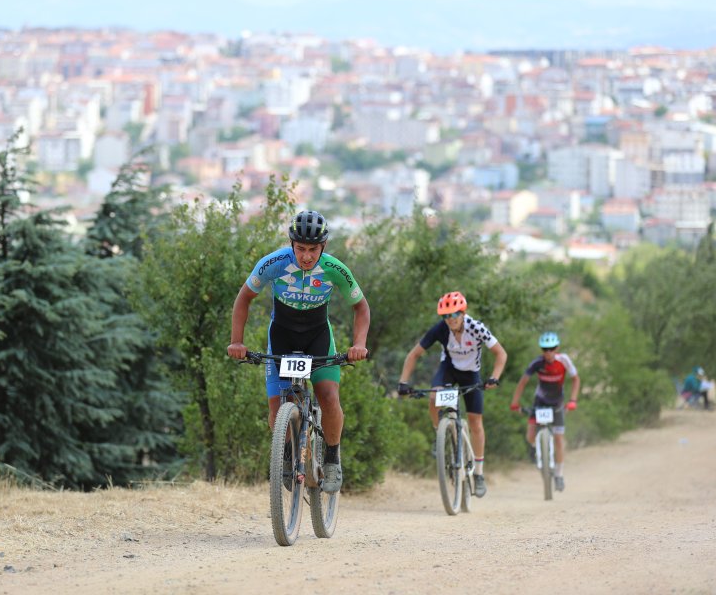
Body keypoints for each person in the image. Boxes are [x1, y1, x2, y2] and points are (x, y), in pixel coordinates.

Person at [226, 210, 370, 493]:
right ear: (291, 245)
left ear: (323, 247)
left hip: (318, 336)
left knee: (328, 396)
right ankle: (288, 453)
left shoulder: (334, 269)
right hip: (281, 335)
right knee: (276, 407)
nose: (306, 256)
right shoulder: (274, 263)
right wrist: (237, 342)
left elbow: (361, 308)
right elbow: (244, 299)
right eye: (300, 249)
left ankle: (331, 458)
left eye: (313, 249)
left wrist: (359, 344)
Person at [397, 291, 507, 498]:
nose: (450, 319)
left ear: (463, 312)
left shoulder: (476, 328)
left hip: (471, 374)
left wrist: (494, 377)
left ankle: (479, 475)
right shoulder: (441, 329)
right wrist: (403, 382)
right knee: (434, 397)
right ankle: (440, 435)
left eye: (454, 314)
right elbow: (414, 354)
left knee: (475, 423)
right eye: (445, 316)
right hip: (448, 369)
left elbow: (501, 353)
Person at [509, 331, 580, 493]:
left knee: (558, 439)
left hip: (557, 403)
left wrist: (573, 400)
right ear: (542, 350)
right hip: (540, 402)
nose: (548, 352)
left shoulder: (564, 360)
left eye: (552, 348)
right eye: (545, 349)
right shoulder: (537, 363)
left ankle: (559, 475)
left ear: (557, 348)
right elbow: (523, 382)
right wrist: (515, 402)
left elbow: (576, 379)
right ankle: (539, 449)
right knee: (530, 436)